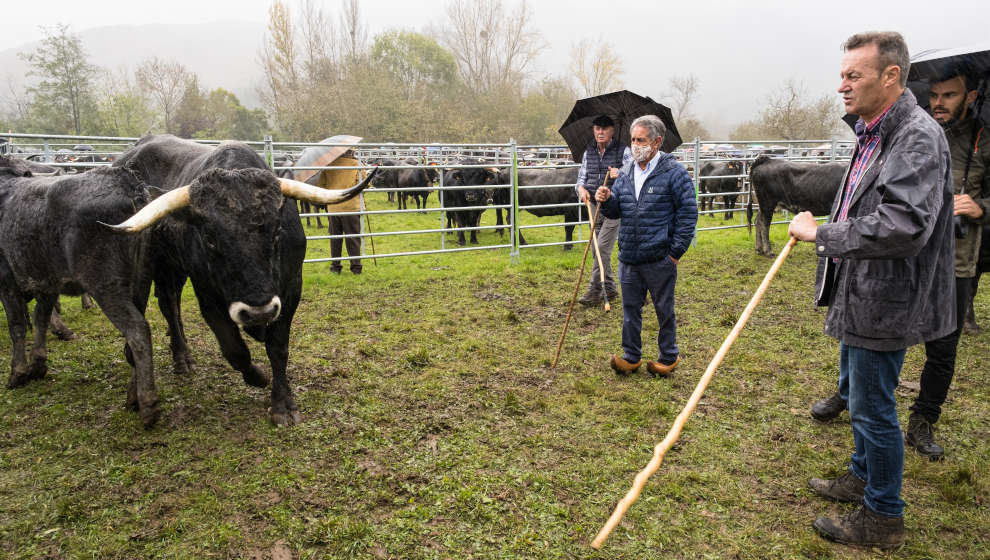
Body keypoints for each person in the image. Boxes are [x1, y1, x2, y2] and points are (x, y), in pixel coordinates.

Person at [789, 31, 955, 549]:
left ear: (891, 76)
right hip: (861, 290)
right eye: (841, 75)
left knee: (872, 407)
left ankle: (883, 516)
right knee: (861, 398)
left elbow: (904, 225)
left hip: (888, 297)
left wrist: (824, 234)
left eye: (853, 75)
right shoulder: (874, 131)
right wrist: (833, 221)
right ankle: (861, 476)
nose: (842, 85)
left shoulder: (916, 137)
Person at [809, 67, 989, 461]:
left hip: (953, 259)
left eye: (951, 96)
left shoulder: (977, 141)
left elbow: (903, 222)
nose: (939, 102)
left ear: (971, 97)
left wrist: (981, 207)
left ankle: (924, 417)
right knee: (867, 345)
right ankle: (848, 393)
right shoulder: (904, 132)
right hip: (896, 259)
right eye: (936, 95)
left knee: (941, 345)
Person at [595, 115, 697, 377]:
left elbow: (687, 214)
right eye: (633, 139)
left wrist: (674, 253)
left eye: (641, 140)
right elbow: (618, 210)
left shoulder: (674, 174)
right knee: (630, 310)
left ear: (657, 142)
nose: (635, 144)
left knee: (664, 309)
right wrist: (607, 199)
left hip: (659, 257)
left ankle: (668, 357)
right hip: (629, 255)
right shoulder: (627, 170)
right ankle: (631, 356)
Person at [575, 115, 632, 306]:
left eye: (604, 129)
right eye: (597, 128)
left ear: (612, 131)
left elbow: (635, 173)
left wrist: (620, 173)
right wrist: (581, 189)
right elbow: (581, 179)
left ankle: (594, 290)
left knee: (602, 248)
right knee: (596, 250)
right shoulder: (588, 151)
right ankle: (610, 287)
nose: (600, 132)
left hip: (614, 205)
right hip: (593, 206)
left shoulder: (624, 150)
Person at [319, 149, 365, 274]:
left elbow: (322, 185)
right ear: (350, 152)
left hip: (333, 207)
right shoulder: (356, 165)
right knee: (353, 238)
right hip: (351, 208)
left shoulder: (329, 166)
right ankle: (356, 267)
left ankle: (335, 266)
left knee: (335, 238)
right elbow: (365, 183)